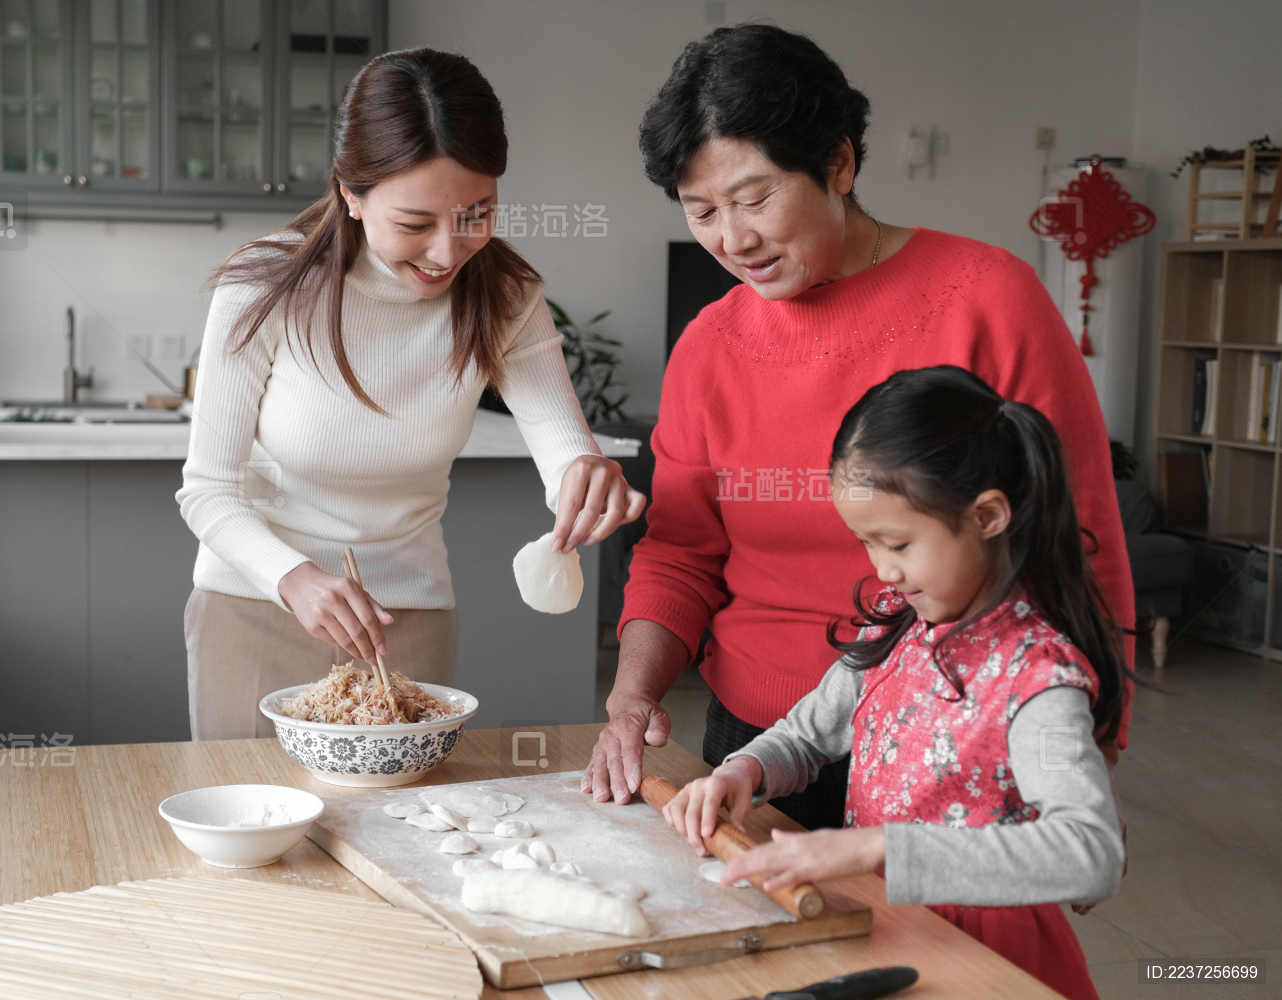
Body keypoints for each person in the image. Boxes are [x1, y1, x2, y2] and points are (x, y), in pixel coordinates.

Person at [584, 24, 1134, 825]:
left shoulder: (992, 301)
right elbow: (681, 551)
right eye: (701, 211)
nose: (731, 239)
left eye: (754, 197)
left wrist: (1098, 731)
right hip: (759, 747)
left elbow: (1079, 530)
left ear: (838, 164)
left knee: (947, 951)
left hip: (956, 734)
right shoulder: (710, 345)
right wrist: (633, 697)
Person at [178, 48, 644, 740]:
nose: (447, 253)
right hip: (256, 609)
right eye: (415, 223)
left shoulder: (507, 297)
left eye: (475, 214)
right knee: (259, 838)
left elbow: (561, 446)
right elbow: (207, 490)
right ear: (351, 194)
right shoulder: (266, 287)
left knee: (406, 839)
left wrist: (586, 476)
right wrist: (296, 578)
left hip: (408, 625)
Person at [663, 366, 1124, 1000]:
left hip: (987, 960)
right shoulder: (899, 625)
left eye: (899, 543)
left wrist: (876, 849)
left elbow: (1090, 856)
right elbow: (807, 736)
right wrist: (744, 771)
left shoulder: (1038, 680)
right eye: (867, 544)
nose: (884, 569)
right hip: (885, 923)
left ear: (988, 515)